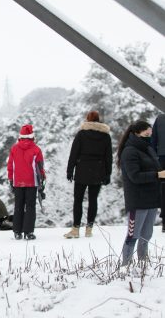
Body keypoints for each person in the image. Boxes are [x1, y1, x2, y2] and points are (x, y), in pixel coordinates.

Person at [117, 120, 165, 267]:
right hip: (137, 200)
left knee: (147, 234)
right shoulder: (129, 151)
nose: (149, 137)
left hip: (151, 198)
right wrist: (157, 175)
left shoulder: (148, 149)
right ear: (137, 133)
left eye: (151, 134)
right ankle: (126, 265)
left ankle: (143, 263)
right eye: (146, 134)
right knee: (133, 235)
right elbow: (135, 176)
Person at [65, 111, 112, 239]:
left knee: (78, 200)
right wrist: (108, 174)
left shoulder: (81, 134)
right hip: (98, 171)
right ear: (99, 120)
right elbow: (109, 157)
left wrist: (70, 170)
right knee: (93, 200)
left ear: (87, 119)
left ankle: (75, 229)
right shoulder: (106, 136)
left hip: (82, 170)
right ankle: (89, 229)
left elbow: (74, 153)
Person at [7, 124, 45, 240]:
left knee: (18, 206)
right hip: (31, 182)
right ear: (32, 136)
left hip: (18, 182)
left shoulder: (14, 148)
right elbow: (40, 167)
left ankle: (17, 232)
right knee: (30, 207)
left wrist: (11, 180)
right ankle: (28, 232)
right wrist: (42, 180)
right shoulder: (36, 150)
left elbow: (10, 166)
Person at [151, 113, 165, 232]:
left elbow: (153, 140)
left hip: (162, 158)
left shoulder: (160, 119)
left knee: (164, 190)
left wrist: (155, 158)